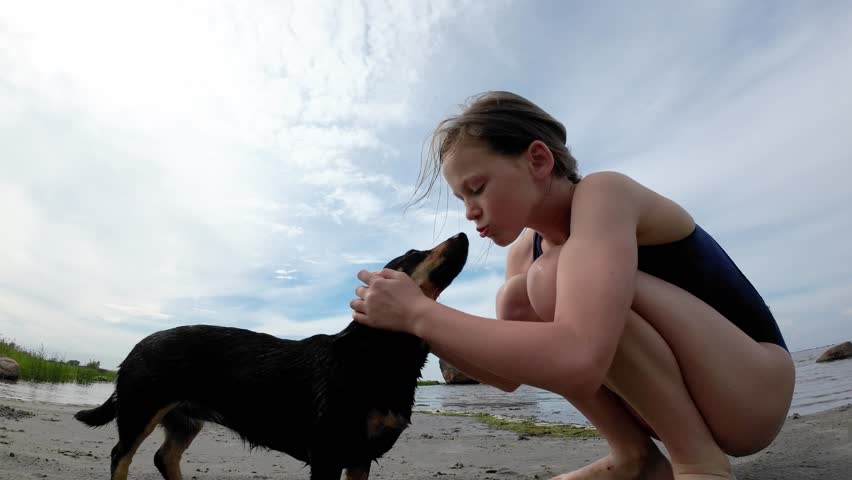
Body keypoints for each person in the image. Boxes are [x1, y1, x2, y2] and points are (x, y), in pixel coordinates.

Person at [350, 91, 794, 480]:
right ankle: (635, 456)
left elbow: (580, 357)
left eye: (478, 188)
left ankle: (699, 464)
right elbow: (510, 377)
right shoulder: (525, 252)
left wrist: (420, 312)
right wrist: (411, 326)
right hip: (705, 394)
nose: (470, 211)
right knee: (519, 297)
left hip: (753, 390)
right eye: (463, 199)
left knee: (547, 283)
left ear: (538, 160)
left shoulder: (604, 196)